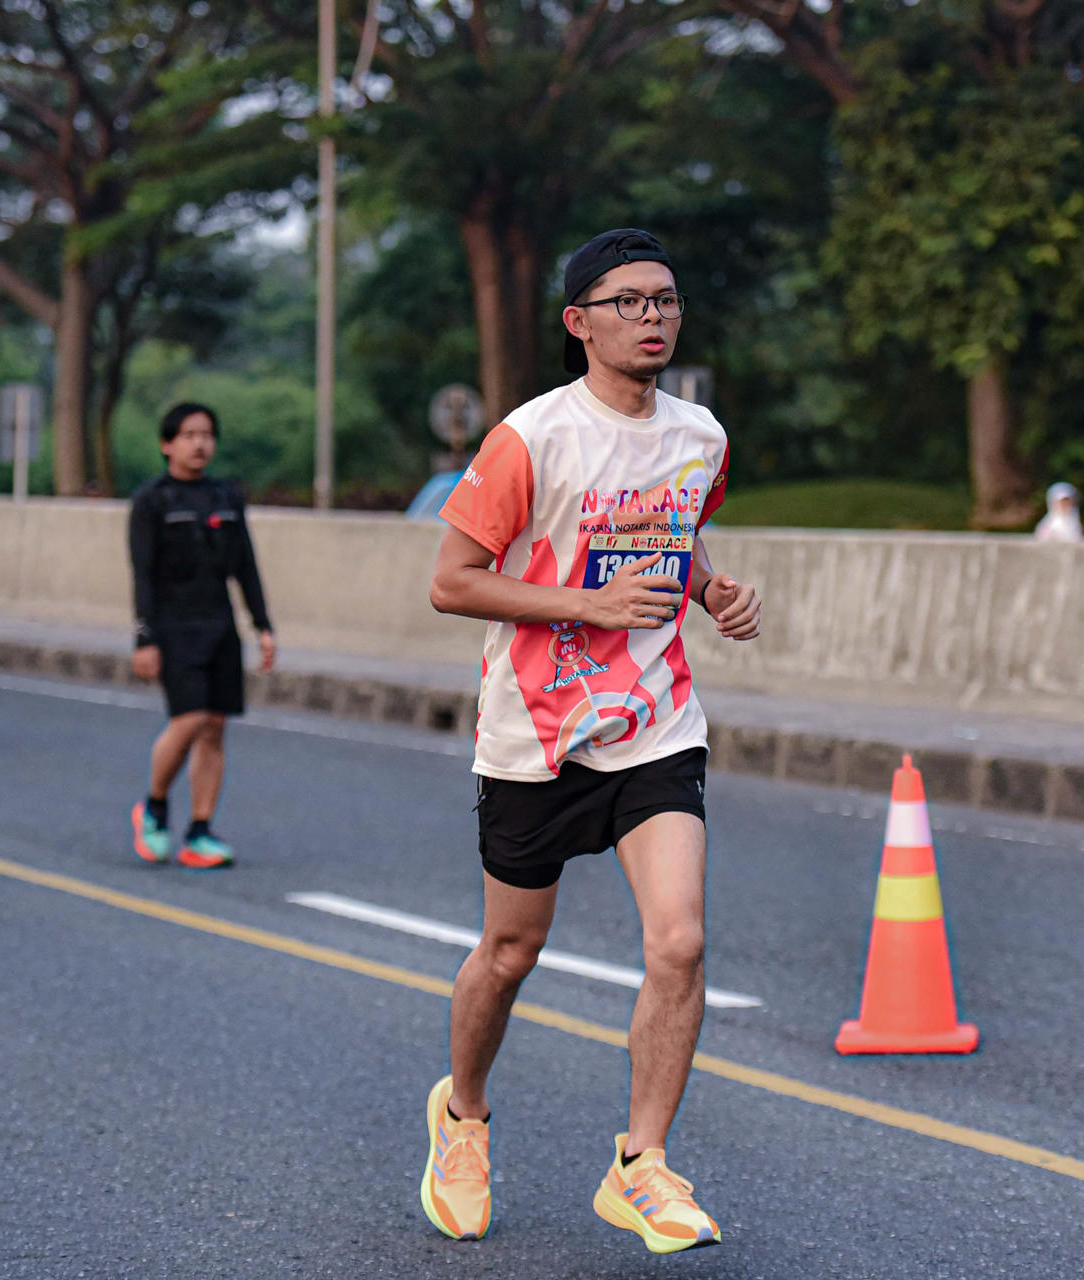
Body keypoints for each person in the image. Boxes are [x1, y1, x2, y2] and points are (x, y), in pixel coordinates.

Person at [421, 228, 760, 1253]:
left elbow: (676, 531)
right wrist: (590, 605)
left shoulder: (700, 435)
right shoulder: (530, 438)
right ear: (579, 322)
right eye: (628, 302)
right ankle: (463, 1116)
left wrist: (711, 590)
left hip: (655, 721)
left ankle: (640, 1163)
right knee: (510, 951)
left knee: (680, 940)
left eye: (666, 299)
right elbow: (452, 581)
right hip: (536, 730)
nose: (652, 316)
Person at [127, 402, 277, 870]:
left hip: (220, 626)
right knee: (188, 719)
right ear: (166, 444)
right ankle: (154, 806)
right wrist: (144, 637)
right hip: (173, 627)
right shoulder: (151, 501)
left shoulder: (226, 497)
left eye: (207, 435)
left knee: (215, 727)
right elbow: (142, 575)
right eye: (189, 435)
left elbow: (246, 566)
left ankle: (199, 830)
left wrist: (262, 626)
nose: (199, 444)